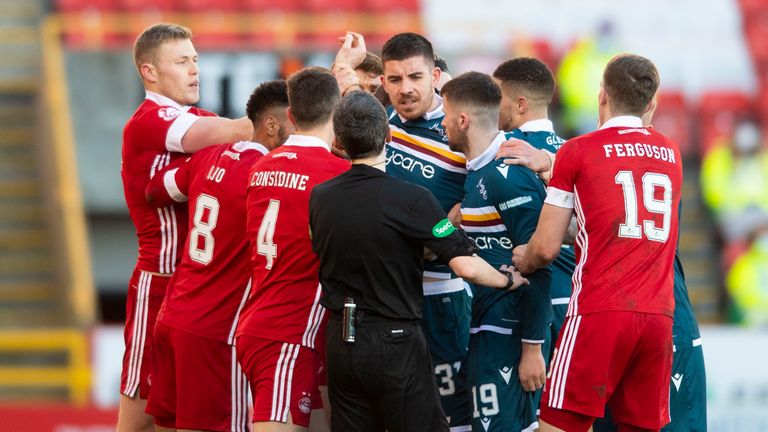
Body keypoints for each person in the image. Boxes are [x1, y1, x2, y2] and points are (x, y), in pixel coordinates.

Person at [309, 90, 528, 432]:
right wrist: (509, 280)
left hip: (341, 339)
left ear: (339, 140)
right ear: (388, 136)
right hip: (394, 340)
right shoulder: (413, 199)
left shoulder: (321, 197)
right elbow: (465, 264)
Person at [498, 79, 707, 432]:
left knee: (559, 422)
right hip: (663, 317)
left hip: (601, 311)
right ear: (652, 104)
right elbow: (618, 201)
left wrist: (527, 256)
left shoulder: (582, 151)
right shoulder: (670, 153)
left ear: (602, 97)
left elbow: (556, 241)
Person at [120, 23, 252, 432]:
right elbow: (234, 131)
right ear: (150, 72)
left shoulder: (198, 116)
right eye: (181, 62)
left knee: (175, 415)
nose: (195, 70)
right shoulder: (150, 120)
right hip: (159, 283)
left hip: (196, 291)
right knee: (139, 410)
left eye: (195, 59)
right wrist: (300, 109)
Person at [141, 80, 292, 432]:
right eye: (297, 123)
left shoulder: (208, 156)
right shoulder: (269, 176)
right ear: (272, 125)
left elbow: (156, 191)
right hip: (216, 331)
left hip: (172, 318)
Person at [235, 67, 351, 432]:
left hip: (265, 321)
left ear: (290, 115)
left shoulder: (261, 166)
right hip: (289, 332)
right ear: (337, 115)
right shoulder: (338, 173)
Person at [440, 71, 552, 432]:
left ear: (462, 120)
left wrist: (533, 348)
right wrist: (440, 225)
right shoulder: (476, 172)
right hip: (485, 324)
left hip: (511, 331)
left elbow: (538, 265)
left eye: (444, 115)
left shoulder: (509, 175)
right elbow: (448, 230)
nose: (441, 124)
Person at [493, 57, 576, 358]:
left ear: (520, 104)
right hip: (575, 303)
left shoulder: (500, 148)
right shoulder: (574, 150)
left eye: (496, 97)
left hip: (522, 304)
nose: (491, 106)